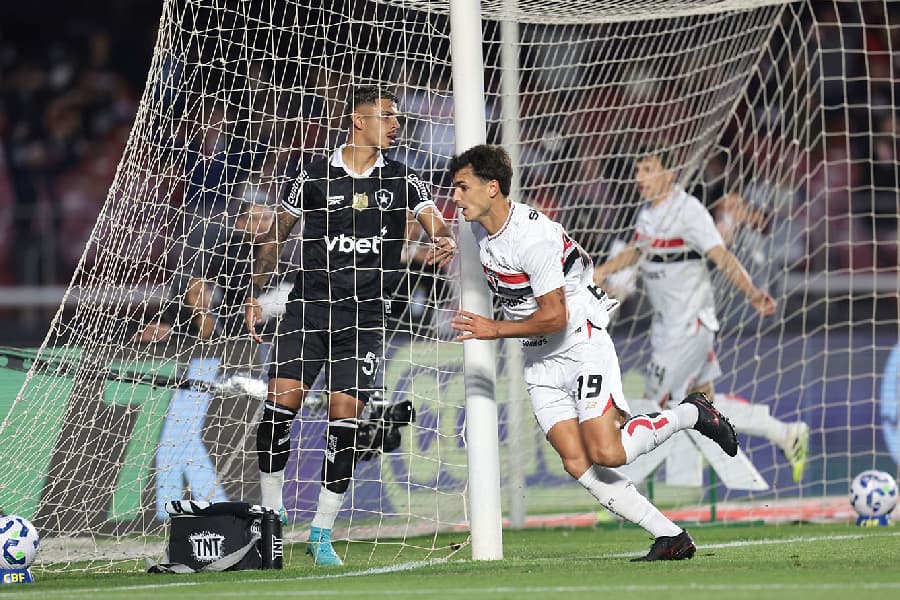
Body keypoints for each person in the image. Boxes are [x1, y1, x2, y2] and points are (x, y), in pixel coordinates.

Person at [448, 144, 738, 562]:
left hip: (580, 343)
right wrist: (439, 243)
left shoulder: (533, 237)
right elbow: (449, 233)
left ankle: (692, 413)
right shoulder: (480, 227)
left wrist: (494, 329)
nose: (454, 196)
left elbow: (554, 317)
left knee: (607, 452)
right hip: (540, 360)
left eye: (462, 187)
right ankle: (670, 536)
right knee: (575, 461)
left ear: (492, 188)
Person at [244, 85, 456, 566]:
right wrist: (256, 292)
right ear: (358, 121)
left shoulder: (405, 179)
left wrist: (442, 240)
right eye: (386, 116)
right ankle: (272, 523)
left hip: (364, 318)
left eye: (396, 117)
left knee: (345, 420)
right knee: (281, 409)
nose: (396, 124)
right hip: (309, 309)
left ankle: (321, 533)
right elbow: (278, 234)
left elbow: (434, 222)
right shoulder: (313, 176)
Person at [592, 147, 810, 483]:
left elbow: (721, 256)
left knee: (655, 405)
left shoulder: (689, 211)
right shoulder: (649, 211)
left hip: (689, 327)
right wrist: (603, 271)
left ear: (670, 174)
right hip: (668, 326)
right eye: (637, 171)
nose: (639, 178)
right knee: (705, 405)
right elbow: (638, 249)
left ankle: (617, 491)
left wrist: (752, 293)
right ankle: (784, 433)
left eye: (648, 169)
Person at [136, 198, 280, 343]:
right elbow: (194, 281)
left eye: (267, 218)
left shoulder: (281, 252)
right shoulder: (231, 252)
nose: (262, 224)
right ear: (240, 222)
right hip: (241, 323)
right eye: (254, 219)